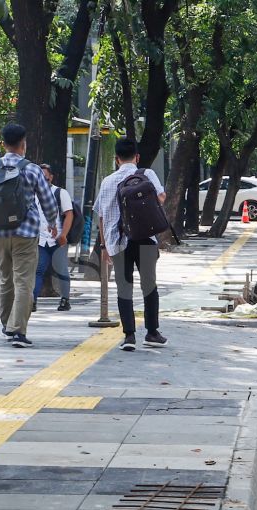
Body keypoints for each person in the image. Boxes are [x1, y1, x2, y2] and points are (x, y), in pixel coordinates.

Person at [0, 123, 59, 348]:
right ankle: (18, 330)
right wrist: (52, 223)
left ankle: (7, 325)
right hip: (26, 232)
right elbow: (47, 201)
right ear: (23, 144)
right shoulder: (32, 169)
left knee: (5, 279)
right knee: (24, 282)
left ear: (3, 144)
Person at [94, 138, 169, 351]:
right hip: (145, 238)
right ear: (137, 157)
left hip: (118, 241)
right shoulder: (146, 175)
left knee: (124, 287)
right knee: (149, 286)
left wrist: (103, 246)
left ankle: (129, 336)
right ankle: (152, 332)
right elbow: (161, 198)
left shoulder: (107, 181)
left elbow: (101, 216)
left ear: (116, 159)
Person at [33, 164, 74, 312]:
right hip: (40, 239)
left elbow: (69, 214)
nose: (43, 180)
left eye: (45, 176)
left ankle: (65, 299)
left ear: (51, 177)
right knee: (38, 270)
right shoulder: (32, 194)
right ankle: (32, 300)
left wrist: (63, 234)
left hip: (57, 239)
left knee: (61, 270)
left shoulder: (60, 193)